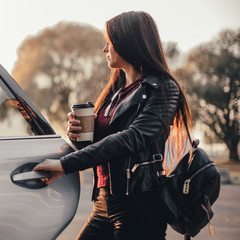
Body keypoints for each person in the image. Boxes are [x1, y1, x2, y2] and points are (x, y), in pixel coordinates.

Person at [33, 11, 192, 240]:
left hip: (139, 206)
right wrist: (78, 137)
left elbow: (131, 139)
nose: (104, 50)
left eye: (110, 42)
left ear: (130, 43)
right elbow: (102, 146)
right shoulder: (114, 93)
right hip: (103, 201)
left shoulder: (163, 89)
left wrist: (65, 164)